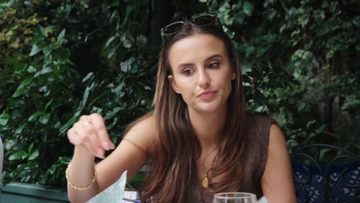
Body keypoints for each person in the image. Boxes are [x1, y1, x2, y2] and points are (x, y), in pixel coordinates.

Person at [66, 13, 297, 203]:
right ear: (174, 84)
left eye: (213, 64)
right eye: (188, 71)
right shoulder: (154, 130)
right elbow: (85, 197)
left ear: (233, 69)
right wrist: (83, 152)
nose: (203, 80)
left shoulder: (263, 135)